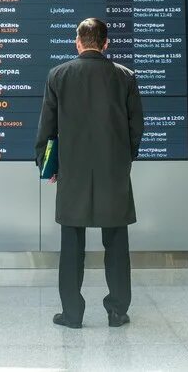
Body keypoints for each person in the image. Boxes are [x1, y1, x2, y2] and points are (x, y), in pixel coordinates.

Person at [35, 17, 144, 329]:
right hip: (114, 172)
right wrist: (125, 159)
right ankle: (117, 311)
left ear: (78, 42)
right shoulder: (125, 76)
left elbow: (47, 128)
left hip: (73, 172)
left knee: (71, 244)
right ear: (106, 43)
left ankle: (72, 314)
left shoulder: (59, 75)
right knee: (117, 243)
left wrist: (49, 167)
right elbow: (136, 126)